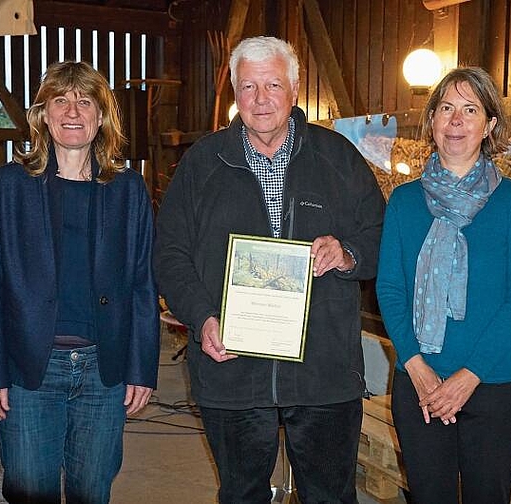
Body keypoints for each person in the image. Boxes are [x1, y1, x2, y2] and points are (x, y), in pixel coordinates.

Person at [153, 36, 384, 503]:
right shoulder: (203, 163)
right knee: (241, 495)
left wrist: (348, 254)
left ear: (295, 89)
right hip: (232, 373)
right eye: (249, 86)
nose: (261, 99)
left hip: (324, 374)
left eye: (273, 84)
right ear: (236, 93)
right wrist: (202, 319)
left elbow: (382, 236)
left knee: (331, 497)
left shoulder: (338, 159)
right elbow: (169, 254)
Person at [0, 60, 160, 503]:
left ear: (101, 116)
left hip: (103, 373)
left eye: (85, 101)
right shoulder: (9, 185)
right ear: (43, 114)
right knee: (31, 492)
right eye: (61, 100)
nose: (73, 111)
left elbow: (142, 286)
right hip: (27, 371)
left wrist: (141, 367)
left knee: (92, 493)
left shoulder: (129, 189)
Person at [376, 66, 511, 504]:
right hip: (420, 386)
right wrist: (415, 365)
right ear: (431, 121)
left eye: (470, 110)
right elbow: (391, 290)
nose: (456, 121)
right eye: (446, 108)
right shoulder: (404, 202)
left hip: (494, 387)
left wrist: (468, 377)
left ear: (488, 126)